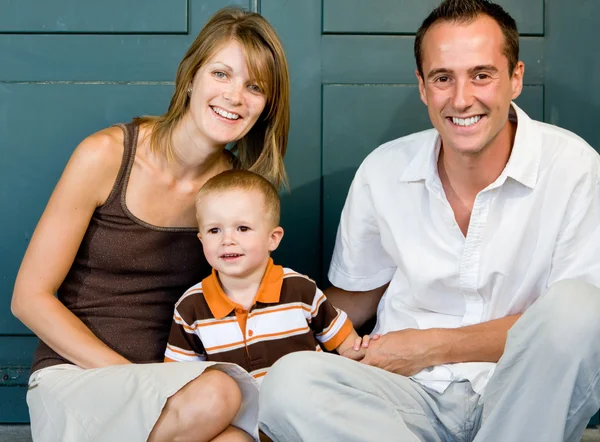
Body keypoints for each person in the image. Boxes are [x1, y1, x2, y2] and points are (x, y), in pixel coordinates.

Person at [258, 1, 600, 441]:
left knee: (582, 306)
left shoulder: (575, 168)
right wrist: (263, 335)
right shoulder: (383, 171)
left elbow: (575, 328)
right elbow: (353, 300)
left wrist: (432, 345)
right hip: (404, 398)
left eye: (482, 74)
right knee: (289, 382)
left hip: (519, 398)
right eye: (443, 78)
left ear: (515, 78)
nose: (461, 99)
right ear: (422, 87)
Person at [11, 7, 290, 442]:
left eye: (255, 87)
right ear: (191, 76)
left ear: (266, 106)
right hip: (77, 376)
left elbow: (243, 301)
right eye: (222, 74)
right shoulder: (105, 155)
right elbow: (28, 299)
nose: (236, 96)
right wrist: (130, 380)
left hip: (173, 390)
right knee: (218, 392)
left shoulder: (234, 194)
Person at [164, 170, 374, 383]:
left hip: (305, 403)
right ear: (201, 240)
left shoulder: (299, 289)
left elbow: (343, 339)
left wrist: (357, 357)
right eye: (214, 231)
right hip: (239, 413)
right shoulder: (191, 307)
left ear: (272, 239)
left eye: (242, 228)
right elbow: (178, 379)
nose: (227, 240)